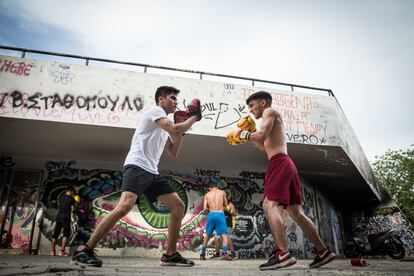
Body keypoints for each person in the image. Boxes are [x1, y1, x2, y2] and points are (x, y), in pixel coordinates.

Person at [72, 86, 201, 267]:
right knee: (124, 206)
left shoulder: (164, 127)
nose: (176, 102)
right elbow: (173, 127)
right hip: (137, 166)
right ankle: (84, 250)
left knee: (178, 206)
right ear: (161, 99)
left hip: (152, 172)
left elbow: (173, 152)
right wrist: (193, 118)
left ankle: (170, 254)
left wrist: (182, 132)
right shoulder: (155, 111)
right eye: (172, 98)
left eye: (177, 100)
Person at [226, 91, 336, 270]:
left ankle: (282, 254)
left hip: (279, 163)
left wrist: (242, 134)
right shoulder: (268, 122)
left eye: (252, 106)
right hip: (284, 162)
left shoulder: (270, 112)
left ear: (263, 103)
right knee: (296, 212)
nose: (251, 110)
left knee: (269, 205)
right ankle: (322, 251)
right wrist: (248, 134)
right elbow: (264, 144)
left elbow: (261, 137)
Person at [200, 183, 233, 261]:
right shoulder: (222, 192)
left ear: (209, 188)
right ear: (217, 187)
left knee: (207, 235)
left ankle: (202, 254)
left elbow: (204, 208)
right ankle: (225, 253)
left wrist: (210, 208)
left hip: (211, 214)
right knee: (224, 235)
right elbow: (225, 204)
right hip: (220, 214)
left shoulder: (207, 195)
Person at [51, 186, 77, 256]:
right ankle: (61, 251)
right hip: (66, 217)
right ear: (71, 192)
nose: (73, 194)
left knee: (55, 234)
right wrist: (76, 206)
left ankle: (52, 251)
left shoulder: (61, 197)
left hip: (58, 217)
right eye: (73, 193)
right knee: (66, 234)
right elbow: (73, 210)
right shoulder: (72, 199)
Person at [212, 193, 237, 259]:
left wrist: (227, 208)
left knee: (225, 237)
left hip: (228, 224)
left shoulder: (230, 204)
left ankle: (232, 253)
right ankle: (217, 253)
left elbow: (234, 213)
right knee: (217, 238)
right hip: (220, 224)